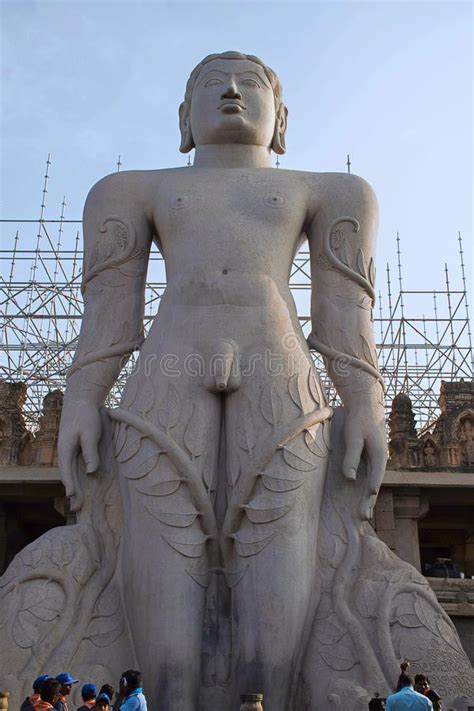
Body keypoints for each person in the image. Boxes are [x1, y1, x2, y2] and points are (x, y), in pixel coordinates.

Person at [58, 49, 386, 709]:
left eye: (249, 83)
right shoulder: (129, 191)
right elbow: (109, 312)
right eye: (212, 83)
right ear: (185, 118)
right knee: (162, 600)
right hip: (165, 384)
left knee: (278, 590)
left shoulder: (331, 192)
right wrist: (82, 399)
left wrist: (367, 401)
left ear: (280, 117)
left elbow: (345, 310)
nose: (232, 90)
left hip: (281, 382)